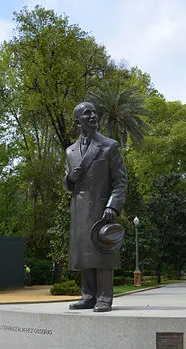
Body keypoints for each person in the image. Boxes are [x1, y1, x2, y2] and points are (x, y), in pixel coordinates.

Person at [63, 102, 127, 312]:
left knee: (102, 252)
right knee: (84, 253)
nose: (93, 116)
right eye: (87, 113)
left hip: (101, 208)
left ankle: (104, 297)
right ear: (77, 120)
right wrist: (69, 179)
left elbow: (120, 181)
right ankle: (88, 296)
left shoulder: (110, 146)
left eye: (94, 113)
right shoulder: (70, 151)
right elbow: (67, 184)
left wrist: (113, 206)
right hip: (79, 209)